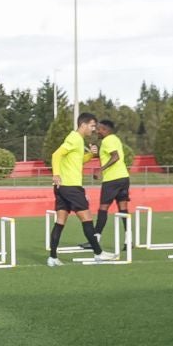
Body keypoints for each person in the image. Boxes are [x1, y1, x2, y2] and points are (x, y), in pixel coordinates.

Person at [47, 112, 112, 265]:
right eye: (92, 126)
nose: (94, 129)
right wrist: (56, 174)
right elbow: (56, 155)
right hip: (71, 187)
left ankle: (53, 257)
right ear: (83, 125)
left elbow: (77, 161)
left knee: (60, 221)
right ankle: (98, 253)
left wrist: (91, 155)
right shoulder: (75, 138)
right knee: (87, 219)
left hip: (62, 188)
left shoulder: (77, 140)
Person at [93, 118, 131, 239]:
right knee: (123, 208)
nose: (96, 132)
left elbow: (115, 157)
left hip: (112, 180)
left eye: (98, 129)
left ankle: (95, 239)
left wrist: (101, 169)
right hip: (124, 178)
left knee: (103, 208)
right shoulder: (115, 139)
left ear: (104, 129)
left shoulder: (107, 141)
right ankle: (128, 239)